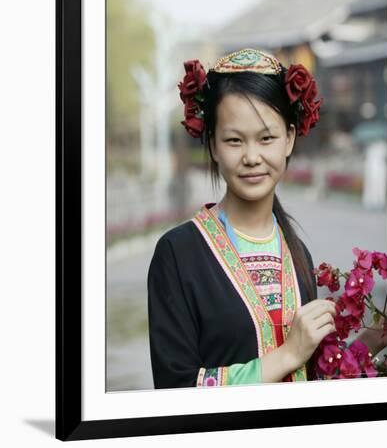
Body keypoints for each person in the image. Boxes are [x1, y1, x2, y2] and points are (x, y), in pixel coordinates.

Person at [147, 48, 374, 389]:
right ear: (213, 146)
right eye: (234, 141)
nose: (252, 157)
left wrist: (374, 339)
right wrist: (287, 354)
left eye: (266, 138)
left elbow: (310, 377)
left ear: (290, 139)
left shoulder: (296, 252)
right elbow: (174, 389)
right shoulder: (177, 255)